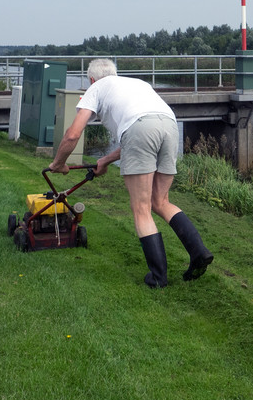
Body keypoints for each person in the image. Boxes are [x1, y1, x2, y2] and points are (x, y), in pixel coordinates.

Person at [47, 58, 213, 288]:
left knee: (141, 209)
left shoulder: (96, 88)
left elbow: (73, 134)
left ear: (92, 80)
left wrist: (58, 163)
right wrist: (104, 160)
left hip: (141, 129)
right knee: (161, 201)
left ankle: (158, 278)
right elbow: (138, 133)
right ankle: (199, 253)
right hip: (170, 125)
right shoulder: (136, 84)